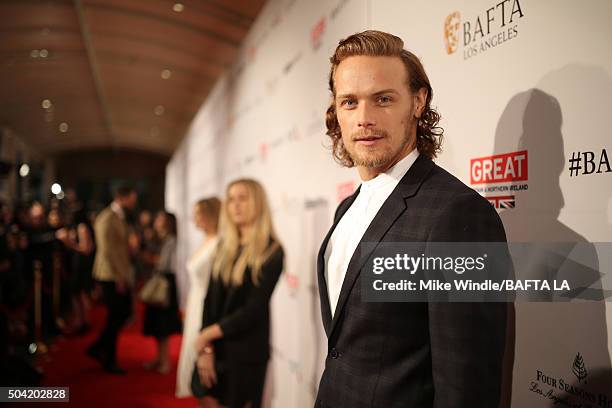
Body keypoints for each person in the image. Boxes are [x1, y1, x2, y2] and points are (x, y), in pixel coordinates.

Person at [315, 30, 508, 407]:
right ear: (336, 111)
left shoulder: (458, 215)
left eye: (383, 99)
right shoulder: (346, 208)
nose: (364, 119)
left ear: (418, 102)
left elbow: (467, 384)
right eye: (349, 102)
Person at [193, 179, 284, 408]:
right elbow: (209, 300)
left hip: (245, 353)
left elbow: (253, 309)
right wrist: (205, 347)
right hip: (215, 346)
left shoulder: (272, 251)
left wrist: (207, 335)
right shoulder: (224, 246)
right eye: (231, 199)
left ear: (257, 203)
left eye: (243, 198)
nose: (235, 205)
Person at [87, 184, 137, 374]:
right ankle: (108, 357)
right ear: (121, 197)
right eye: (132, 198)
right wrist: (119, 277)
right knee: (116, 315)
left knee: (120, 315)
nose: (134, 202)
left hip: (118, 273)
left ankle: (100, 349)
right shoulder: (107, 217)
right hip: (110, 274)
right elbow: (107, 251)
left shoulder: (118, 216)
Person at [176, 197, 221, 397]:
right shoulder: (206, 239)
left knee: (201, 351)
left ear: (210, 215)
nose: (194, 219)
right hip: (195, 302)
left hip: (206, 304)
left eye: (198, 214)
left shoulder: (220, 242)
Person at [143, 211, 182, 374]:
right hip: (160, 281)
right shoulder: (159, 239)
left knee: (163, 325)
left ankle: (165, 360)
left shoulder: (170, 240)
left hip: (165, 284)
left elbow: (163, 264)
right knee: (157, 325)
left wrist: (148, 257)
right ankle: (159, 358)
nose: (156, 221)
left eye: (160, 219)